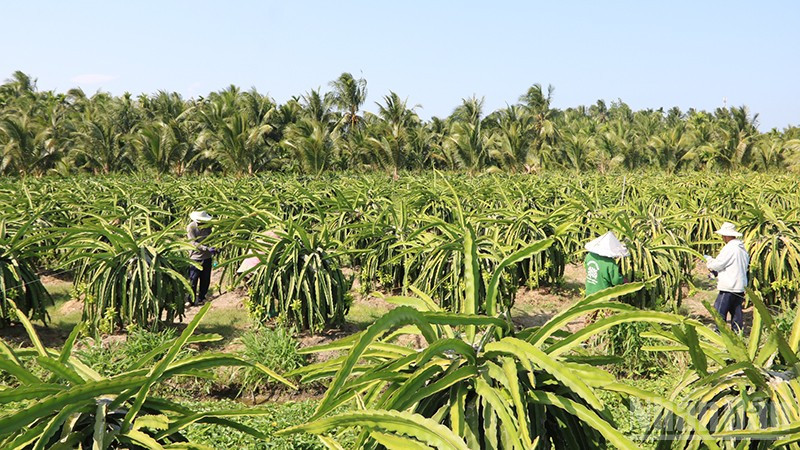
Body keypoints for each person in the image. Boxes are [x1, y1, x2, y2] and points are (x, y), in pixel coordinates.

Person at [704, 222, 749, 332]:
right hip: (740, 286)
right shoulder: (742, 249)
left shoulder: (730, 248)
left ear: (726, 236)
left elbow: (718, 265)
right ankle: (738, 333)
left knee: (719, 311)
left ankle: (720, 334)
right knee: (736, 311)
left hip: (729, 286)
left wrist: (709, 260)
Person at [584, 231, 629, 296]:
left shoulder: (589, 256)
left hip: (589, 292)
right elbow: (616, 281)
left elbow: (586, 267)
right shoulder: (610, 263)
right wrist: (624, 280)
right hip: (604, 295)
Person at [186, 211, 215, 306]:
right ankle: (191, 299)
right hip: (195, 257)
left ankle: (202, 297)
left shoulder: (208, 227)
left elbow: (212, 238)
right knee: (193, 279)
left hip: (207, 257)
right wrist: (205, 248)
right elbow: (193, 242)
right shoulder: (191, 227)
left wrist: (215, 247)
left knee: (205, 279)